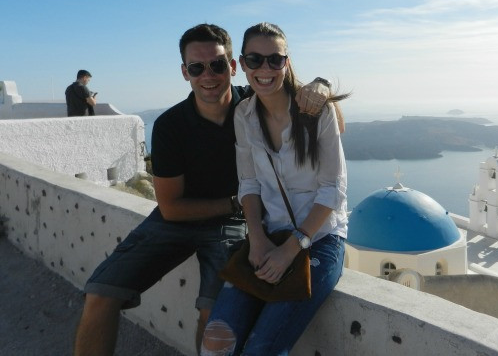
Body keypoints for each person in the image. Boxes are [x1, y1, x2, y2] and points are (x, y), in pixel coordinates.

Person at [73, 23, 335, 356]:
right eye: (197, 67)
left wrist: (322, 85)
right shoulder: (170, 126)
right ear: (185, 72)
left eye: (217, 65)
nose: (208, 75)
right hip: (180, 221)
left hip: (233, 224)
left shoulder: (255, 101)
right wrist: (234, 203)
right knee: (99, 293)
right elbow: (171, 208)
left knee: (213, 315)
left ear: (234, 66)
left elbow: (325, 120)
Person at [200, 22, 349, 356]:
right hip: (269, 235)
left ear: (287, 62)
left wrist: (291, 248)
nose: (264, 69)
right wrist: (256, 238)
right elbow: (249, 183)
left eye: (274, 60)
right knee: (216, 340)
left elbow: (333, 189)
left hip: (320, 239)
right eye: (255, 59)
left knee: (262, 349)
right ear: (242, 63)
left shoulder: (317, 112)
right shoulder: (244, 115)